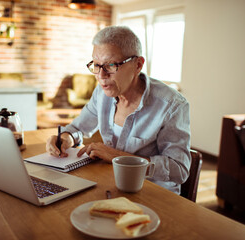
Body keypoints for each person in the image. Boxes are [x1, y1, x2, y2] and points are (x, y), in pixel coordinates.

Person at [46, 26, 191, 194]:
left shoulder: (172, 105)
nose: (101, 75)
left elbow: (179, 170)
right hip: (110, 184)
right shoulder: (102, 92)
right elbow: (78, 128)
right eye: (96, 65)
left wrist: (117, 157)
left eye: (111, 65)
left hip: (153, 194)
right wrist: (65, 138)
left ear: (138, 65)